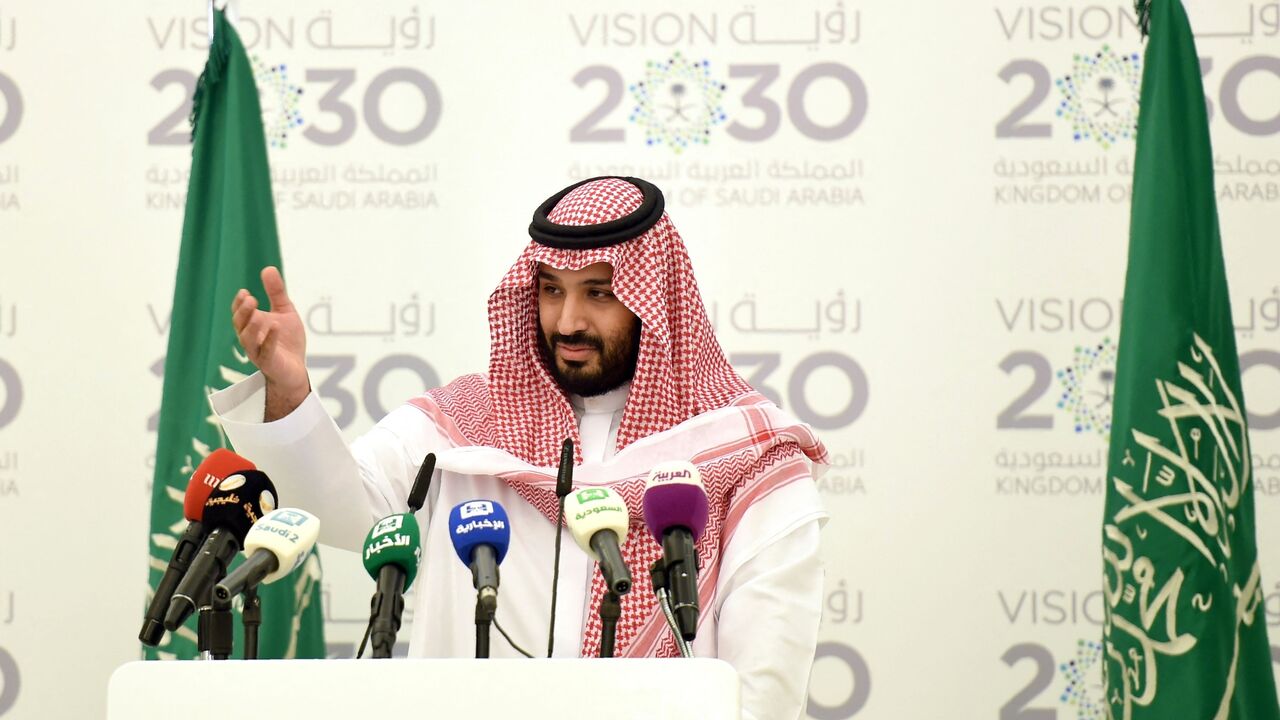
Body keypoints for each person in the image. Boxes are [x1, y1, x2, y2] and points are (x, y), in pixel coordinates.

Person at [211, 176, 829, 719]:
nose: (567, 321)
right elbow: (340, 507)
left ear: (653, 302)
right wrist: (290, 394)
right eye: (552, 290)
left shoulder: (748, 457)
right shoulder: (463, 423)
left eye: (599, 292)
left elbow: (762, 693)